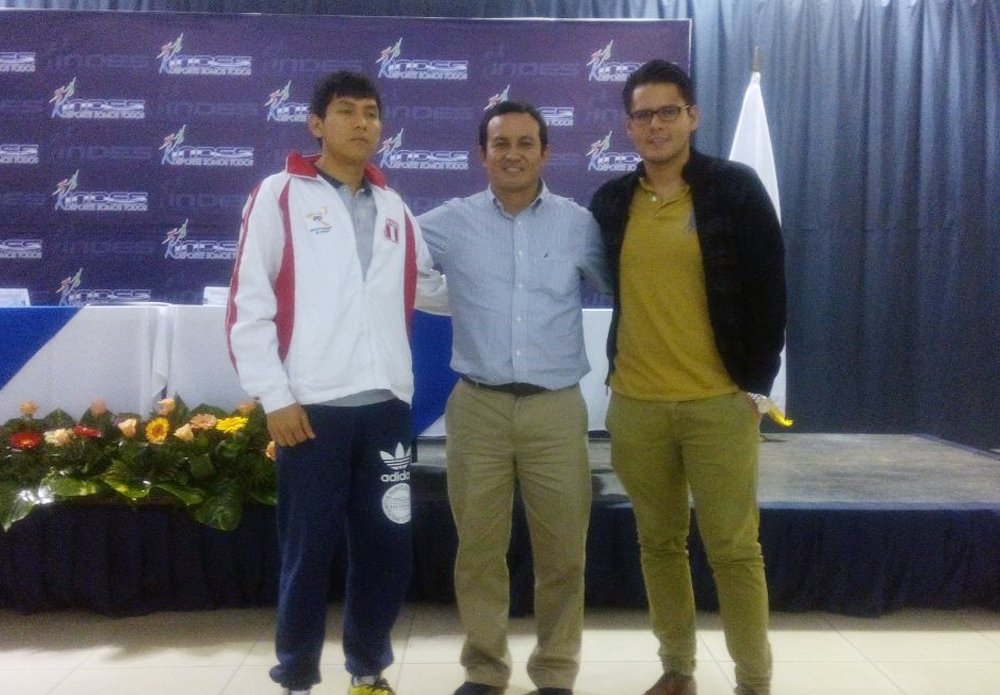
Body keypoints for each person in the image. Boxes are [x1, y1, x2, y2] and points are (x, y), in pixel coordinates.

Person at [226, 71, 447, 695]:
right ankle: (296, 675)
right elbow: (249, 305)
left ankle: (368, 670)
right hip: (310, 411)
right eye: (346, 111)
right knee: (308, 551)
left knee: (386, 547)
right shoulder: (279, 194)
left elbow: (430, 288)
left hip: (385, 409)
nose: (361, 123)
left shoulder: (394, 207)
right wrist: (275, 398)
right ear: (317, 124)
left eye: (371, 112)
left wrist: (508, 287)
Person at [588, 60, 786, 695]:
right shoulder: (612, 201)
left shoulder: (735, 190)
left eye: (668, 112)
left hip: (718, 404)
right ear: (628, 125)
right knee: (659, 545)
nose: (656, 125)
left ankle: (753, 681)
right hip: (636, 405)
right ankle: (677, 671)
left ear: (692, 117)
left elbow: (771, 293)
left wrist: (755, 388)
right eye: (643, 115)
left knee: (734, 550)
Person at [417, 101, 609, 695]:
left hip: (556, 409)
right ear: (482, 154)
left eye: (526, 143)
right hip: (478, 406)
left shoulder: (579, 225)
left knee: (563, 554)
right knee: (478, 551)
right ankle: (484, 670)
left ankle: (555, 672)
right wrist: (454, 299)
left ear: (545, 153)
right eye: (501, 144)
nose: (513, 154)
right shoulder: (450, 222)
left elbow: (627, 285)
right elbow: (392, 261)